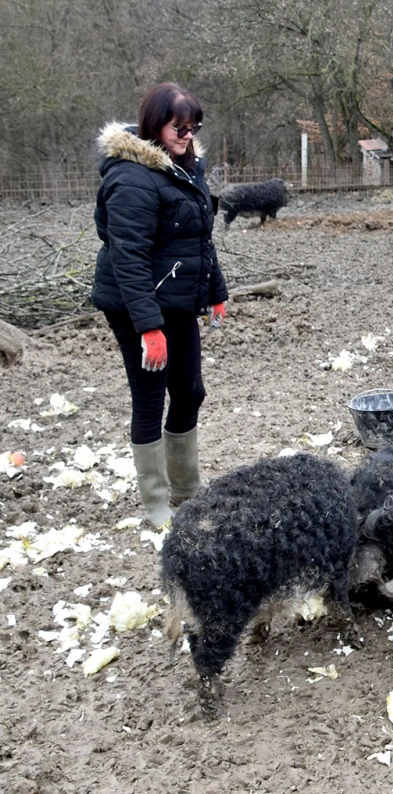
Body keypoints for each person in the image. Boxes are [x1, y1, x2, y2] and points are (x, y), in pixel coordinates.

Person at [91, 82, 228, 527]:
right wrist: (149, 328)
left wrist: (215, 292)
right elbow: (127, 257)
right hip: (136, 304)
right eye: (179, 127)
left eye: (194, 126)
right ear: (156, 124)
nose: (188, 134)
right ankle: (155, 502)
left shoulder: (186, 168)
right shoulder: (131, 177)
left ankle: (186, 487)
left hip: (178, 300)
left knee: (190, 391)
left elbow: (198, 239)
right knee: (150, 398)